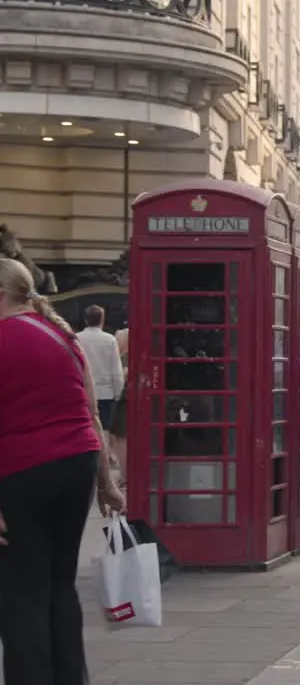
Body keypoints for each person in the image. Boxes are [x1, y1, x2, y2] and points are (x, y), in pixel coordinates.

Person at [0, 259, 126, 684]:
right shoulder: (62, 334)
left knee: (21, 590)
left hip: (20, 470)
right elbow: (90, 410)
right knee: (59, 582)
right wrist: (107, 482)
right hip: (76, 466)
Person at [77, 305, 124, 482]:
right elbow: (116, 369)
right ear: (102, 320)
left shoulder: (77, 338)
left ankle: (87, 454)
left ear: (85, 320)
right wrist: (118, 391)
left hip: (82, 388)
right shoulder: (109, 340)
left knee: (85, 424)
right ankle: (102, 458)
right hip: (105, 390)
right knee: (103, 427)